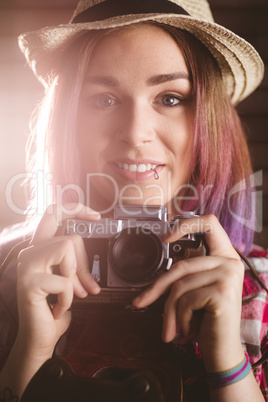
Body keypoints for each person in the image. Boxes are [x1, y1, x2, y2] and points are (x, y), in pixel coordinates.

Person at [0, 0, 267, 401]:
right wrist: (29, 348)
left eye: (170, 99)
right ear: (68, 120)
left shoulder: (258, 287)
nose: (136, 132)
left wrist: (228, 360)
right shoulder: (9, 270)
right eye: (104, 100)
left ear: (206, 119)